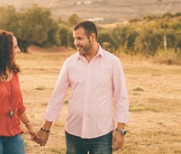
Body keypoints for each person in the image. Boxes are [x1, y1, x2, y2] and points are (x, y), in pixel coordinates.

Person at [36, 20, 130, 153]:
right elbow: (57, 97)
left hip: (102, 134)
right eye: (74, 38)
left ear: (92, 37)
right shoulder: (70, 63)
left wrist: (120, 129)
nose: (76, 43)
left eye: (79, 38)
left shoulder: (113, 62)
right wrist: (46, 128)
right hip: (73, 133)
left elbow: (121, 97)